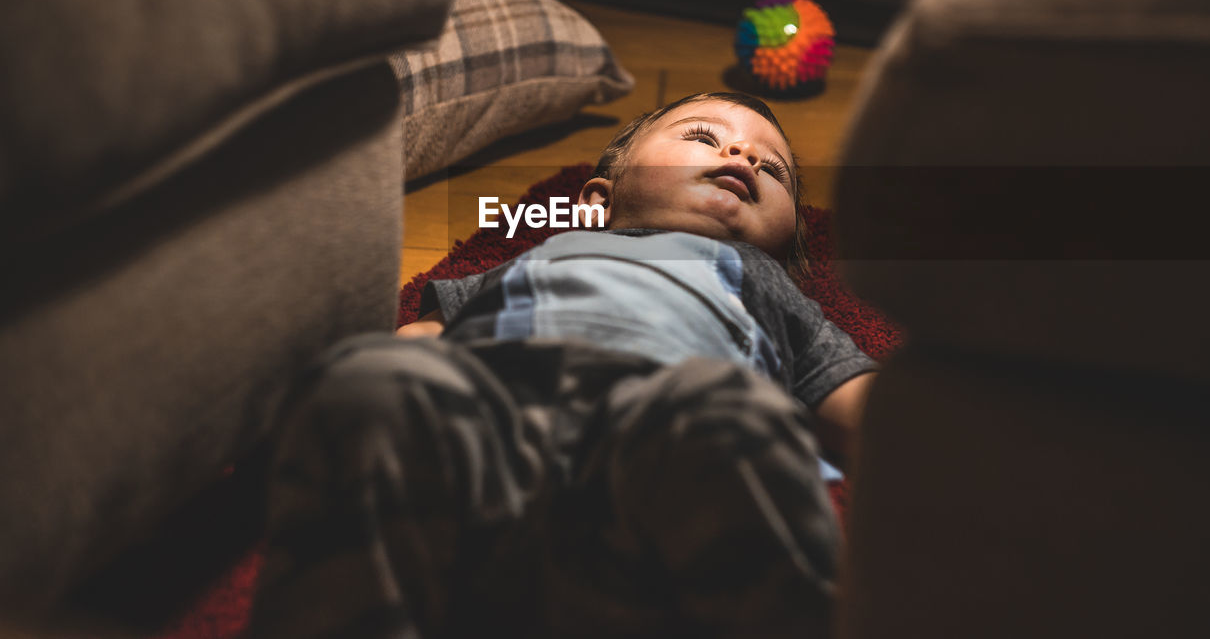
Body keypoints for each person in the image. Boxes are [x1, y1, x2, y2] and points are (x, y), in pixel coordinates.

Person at [251, 92, 878, 639]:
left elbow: (856, 402)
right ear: (597, 199)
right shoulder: (550, 253)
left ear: (787, 234)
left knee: (725, 411)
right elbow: (425, 339)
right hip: (491, 460)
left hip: (653, 495)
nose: (743, 157)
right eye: (702, 137)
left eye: (772, 170)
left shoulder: (764, 282)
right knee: (370, 378)